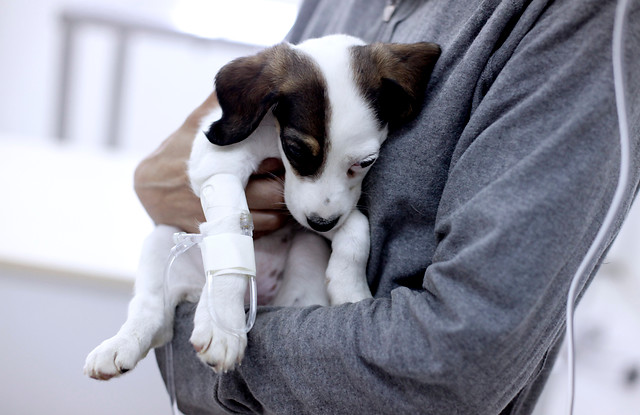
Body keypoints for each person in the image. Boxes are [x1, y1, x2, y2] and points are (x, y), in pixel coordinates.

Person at [134, 0, 640, 413]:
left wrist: (187, 341)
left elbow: (451, 366)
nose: (325, 203)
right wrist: (170, 193)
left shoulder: (578, 22)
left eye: (360, 164)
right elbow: (211, 162)